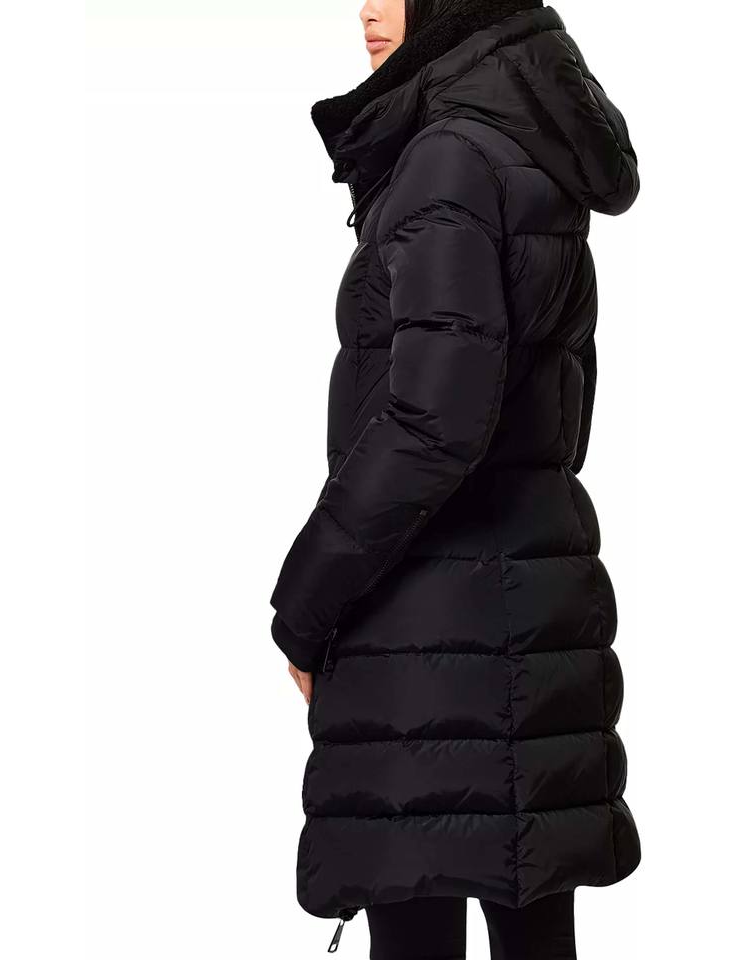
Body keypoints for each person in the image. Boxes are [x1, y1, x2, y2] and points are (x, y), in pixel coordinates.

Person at [269, 1, 641, 956]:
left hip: (425, 630)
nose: (367, 9)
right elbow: (561, 414)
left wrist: (305, 603)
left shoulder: (448, 160)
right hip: (530, 606)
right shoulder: (526, 147)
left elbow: (433, 422)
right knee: (535, 930)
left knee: (418, 930)